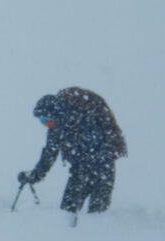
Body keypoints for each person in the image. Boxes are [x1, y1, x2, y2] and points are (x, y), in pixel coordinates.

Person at [18, 87, 127, 220]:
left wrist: (87, 168)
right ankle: (66, 238)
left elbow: (95, 147)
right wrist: (35, 176)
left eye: (46, 119)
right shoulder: (56, 128)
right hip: (83, 169)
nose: (46, 124)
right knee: (67, 213)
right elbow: (49, 153)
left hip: (102, 169)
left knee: (97, 217)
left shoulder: (83, 119)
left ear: (55, 114)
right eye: (42, 121)